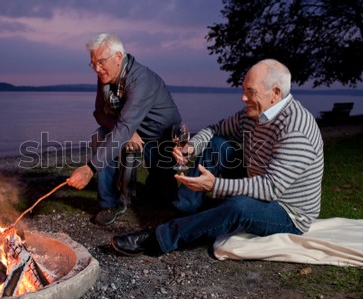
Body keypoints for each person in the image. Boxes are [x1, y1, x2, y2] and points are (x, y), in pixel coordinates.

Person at [111, 59, 324, 256]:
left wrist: (215, 185)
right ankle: (185, 208)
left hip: (287, 210)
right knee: (218, 145)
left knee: (239, 207)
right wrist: (191, 148)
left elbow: (270, 188)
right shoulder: (252, 115)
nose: (243, 98)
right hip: (258, 180)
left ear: (275, 93)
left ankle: (158, 239)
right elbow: (215, 129)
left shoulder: (296, 130)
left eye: (250, 92)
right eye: (243, 90)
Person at [66, 33, 182, 226]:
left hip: (160, 135)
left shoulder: (141, 79)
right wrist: (127, 132)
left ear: (118, 57)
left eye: (101, 62)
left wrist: (89, 169)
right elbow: (99, 114)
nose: (97, 68)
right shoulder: (106, 75)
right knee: (100, 136)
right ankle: (108, 203)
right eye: (93, 64)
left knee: (164, 198)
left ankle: (146, 190)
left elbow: (125, 126)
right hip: (129, 127)